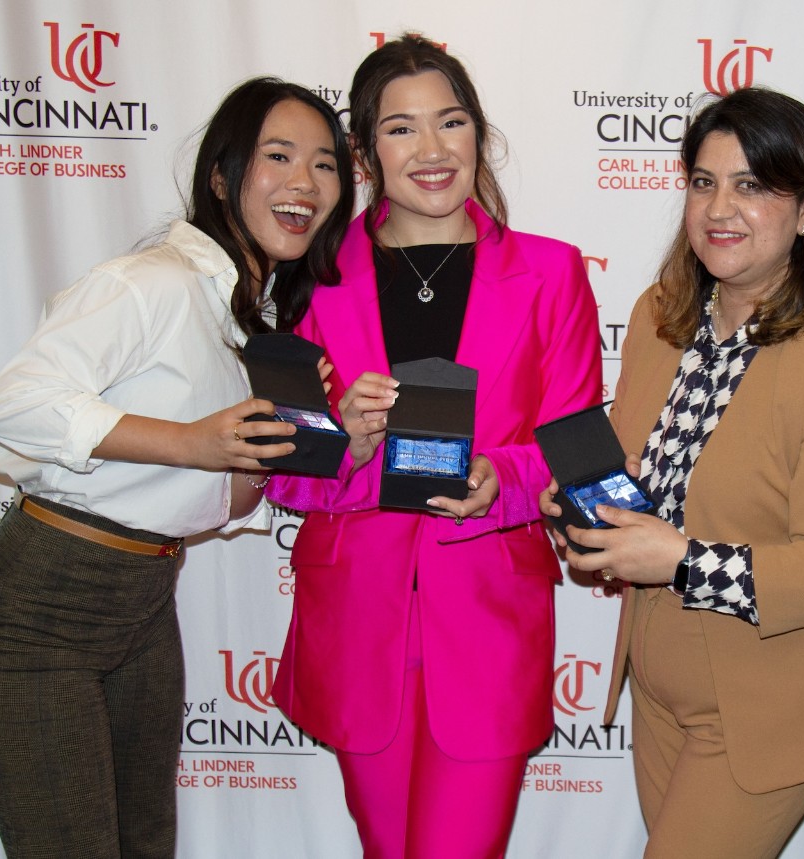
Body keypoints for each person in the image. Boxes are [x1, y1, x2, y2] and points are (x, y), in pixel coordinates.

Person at [541, 87, 804, 858]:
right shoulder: (660, 315)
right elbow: (641, 466)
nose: (720, 206)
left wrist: (677, 558)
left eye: (752, 184)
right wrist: (581, 501)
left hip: (773, 694)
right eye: (704, 181)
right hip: (658, 676)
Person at [263, 35, 601, 859]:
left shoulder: (551, 274)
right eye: (401, 129)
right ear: (366, 151)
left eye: (450, 122)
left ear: (478, 133)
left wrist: (502, 479)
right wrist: (346, 435)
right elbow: (285, 470)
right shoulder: (315, 273)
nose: (432, 149)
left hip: (488, 615)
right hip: (356, 622)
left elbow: (574, 440)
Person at [0, 77, 353, 858]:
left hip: (147, 601)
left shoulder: (250, 320)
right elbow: (15, 403)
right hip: (48, 598)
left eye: (325, 165)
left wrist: (281, 441)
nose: (304, 183)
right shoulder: (151, 281)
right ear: (222, 176)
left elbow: (218, 504)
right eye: (279, 156)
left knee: (145, 840)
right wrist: (190, 440)